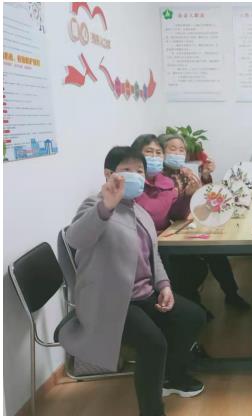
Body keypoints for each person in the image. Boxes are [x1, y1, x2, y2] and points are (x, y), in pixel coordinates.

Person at [58, 146, 207, 416]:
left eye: (139, 171)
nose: (135, 176)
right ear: (108, 174)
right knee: (153, 343)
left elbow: (153, 256)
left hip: (143, 295)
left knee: (193, 316)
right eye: (127, 170)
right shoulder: (95, 206)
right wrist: (106, 207)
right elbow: (76, 238)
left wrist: (164, 286)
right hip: (111, 302)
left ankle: (171, 377)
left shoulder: (140, 212)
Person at [157, 134, 251, 316]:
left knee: (216, 253)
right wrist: (187, 198)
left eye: (181, 150)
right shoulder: (159, 178)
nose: (177, 153)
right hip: (169, 234)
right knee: (193, 266)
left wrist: (205, 176)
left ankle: (231, 294)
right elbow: (173, 211)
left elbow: (202, 196)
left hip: (185, 224)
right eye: (172, 149)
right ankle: (194, 305)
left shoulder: (184, 172)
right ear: (162, 152)